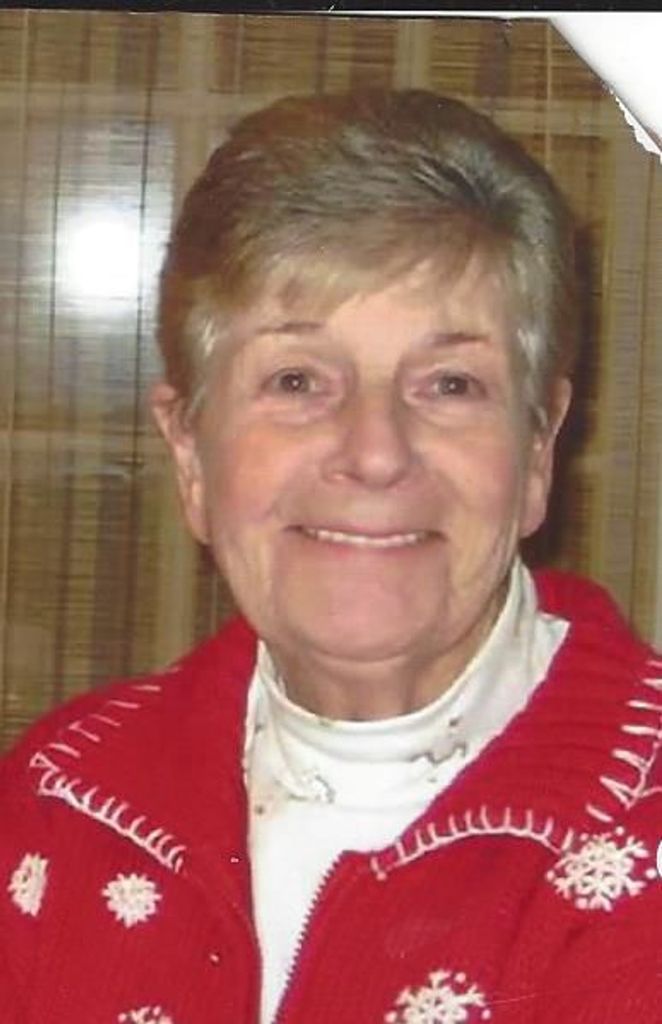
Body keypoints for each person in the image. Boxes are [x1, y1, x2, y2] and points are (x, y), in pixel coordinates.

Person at [1, 89, 660, 1024]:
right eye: (297, 380)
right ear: (191, 452)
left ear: (538, 450)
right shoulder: (60, 800)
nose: (375, 452)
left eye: (450, 384)